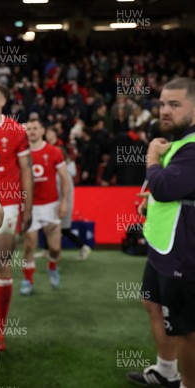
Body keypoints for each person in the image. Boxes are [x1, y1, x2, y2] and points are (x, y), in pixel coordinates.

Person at [128, 77, 195, 388]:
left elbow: (166, 187)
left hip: (183, 252)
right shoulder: (179, 141)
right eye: (162, 103)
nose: (164, 111)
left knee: (186, 330)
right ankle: (166, 371)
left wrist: (151, 157)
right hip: (162, 245)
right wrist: (149, 203)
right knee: (152, 303)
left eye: (175, 104)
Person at [0, 80, 33, 352]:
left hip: (8, 203)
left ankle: (0, 328)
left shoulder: (15, 130)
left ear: (2, 102)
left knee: (0, 262)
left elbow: (26, 170)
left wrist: (28, 207)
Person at [20, 118, 70, 295]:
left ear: (42, 131)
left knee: (55, 248)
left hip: (51, 205)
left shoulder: (54, 152)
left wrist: (64, 202)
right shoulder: (21, 153)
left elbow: (65, 179)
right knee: (29, 244)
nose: (31, 131)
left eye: (35, 128)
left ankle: (52, 265)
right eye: (29, 128)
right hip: (30, 207)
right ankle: (28, 280)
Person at [45, 126, 91, 260]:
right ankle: (47, 250)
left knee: (64, 230)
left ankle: (83, 247)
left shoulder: (65, 172)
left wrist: (62, 203)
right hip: (56, 202)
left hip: (63, 202)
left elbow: (66, 190)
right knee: (50, 226)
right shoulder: (57, 170)